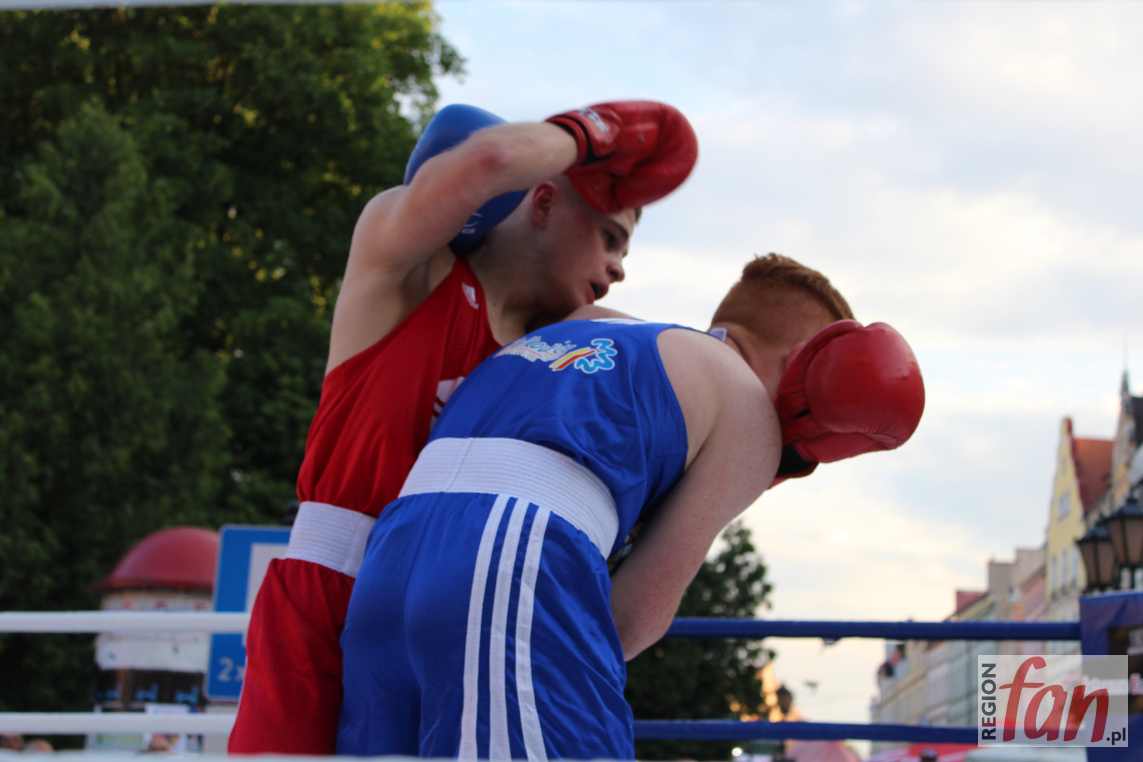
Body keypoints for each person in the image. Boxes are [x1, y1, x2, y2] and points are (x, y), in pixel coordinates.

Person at [228, 100, 699, 754]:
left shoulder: (559, 350)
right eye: (610, 236)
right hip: (330, 588)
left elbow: (699, 365)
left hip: (453, 606)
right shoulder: (411, 272)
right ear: (543, 203)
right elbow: (482, 163)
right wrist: (591, 138)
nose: (619, 266)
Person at [337, 253, 926, 759]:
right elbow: (633, 618)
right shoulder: (748, 408)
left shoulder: (578, 327)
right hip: (510, 556)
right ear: (804, 360)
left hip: (390, 558)